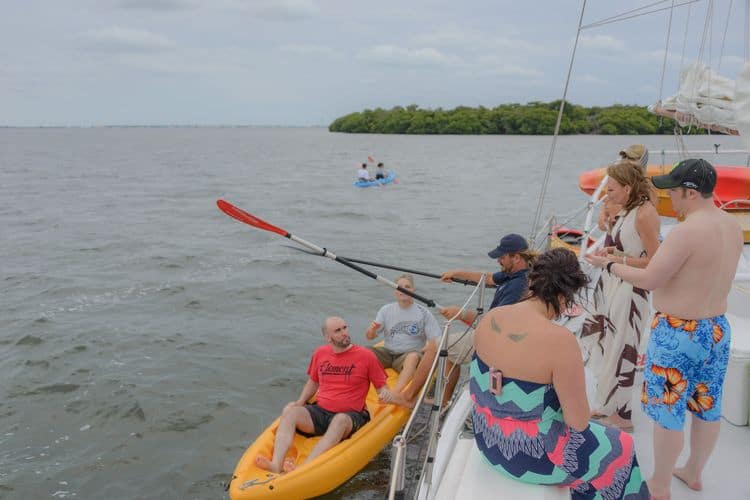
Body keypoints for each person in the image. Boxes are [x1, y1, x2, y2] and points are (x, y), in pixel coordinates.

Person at [585, 158, 742, 500]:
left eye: (674, 192)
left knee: (668, 411)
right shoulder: (731, 226)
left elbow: (652, 277)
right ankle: (694, 472)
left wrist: (610, 263)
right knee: (706, 406)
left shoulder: (687, 231)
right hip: (715, 329)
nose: (671, 198)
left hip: (678, 333)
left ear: (690, 192)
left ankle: (660, 484)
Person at [471, 248, 649, 499]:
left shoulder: (491, 317)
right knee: (622, 449)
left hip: (487, 439)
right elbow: (578, 422)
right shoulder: (560, 341)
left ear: (531, 280)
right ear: (567, 296)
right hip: (530, 457)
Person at [255, 316, 412, 474]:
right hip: (321, 412)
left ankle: (303, 469)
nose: (344, 333)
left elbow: (382, 389)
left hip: (352, 417)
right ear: (328, 337)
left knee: (340, 420)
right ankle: (276, 464)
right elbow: (313, 382)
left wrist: (396, 398)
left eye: (345, 327)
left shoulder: (366, 356)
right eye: (338, 330)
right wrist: (300, 402)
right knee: (290, 412)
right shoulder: (320, 353)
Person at [580, 160, 661, 431]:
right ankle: (606, 406)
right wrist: (610, 254)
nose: (607, 196)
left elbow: (653, 261)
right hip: (613, 283)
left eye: (611, 190)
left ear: (627, 188)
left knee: (623, 348)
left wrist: (615, 260)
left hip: (630, 290)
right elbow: (628, 250)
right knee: (608, 344)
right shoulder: (628, 210)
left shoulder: (645, 213)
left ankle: (623, 416)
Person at [435, 233, 536, 404]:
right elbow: (488, 278)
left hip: (496, 339)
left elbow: (494, 325)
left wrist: (460, 314)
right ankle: (444, 401)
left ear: (516, 257)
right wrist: (456, 273)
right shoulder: (514, 274)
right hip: (493, 331)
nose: (498, 261)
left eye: (501, 257)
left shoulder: (519, 286)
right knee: (447, 349)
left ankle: (409, 398)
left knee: (436, 345)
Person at [365, 274, 441, 393]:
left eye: (407, 286)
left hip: (408, 355)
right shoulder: (386, 310)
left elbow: (436, 341)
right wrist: (372, 330)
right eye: (399, 287)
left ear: (413, 290)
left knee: (412, 357)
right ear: (395, 291)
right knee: (364, 352)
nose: (403, 289)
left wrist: (425, 349)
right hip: (388, 353)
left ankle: (395, 394)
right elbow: (370, 337)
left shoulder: (423, 313)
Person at [598, 145, 649, 235]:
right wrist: (610, 220)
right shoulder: (615, 185)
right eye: (624, 157)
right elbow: (602, 224)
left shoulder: (647, 190)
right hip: (616, 237)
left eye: (630, 158)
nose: (625, 160)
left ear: (641, 161)